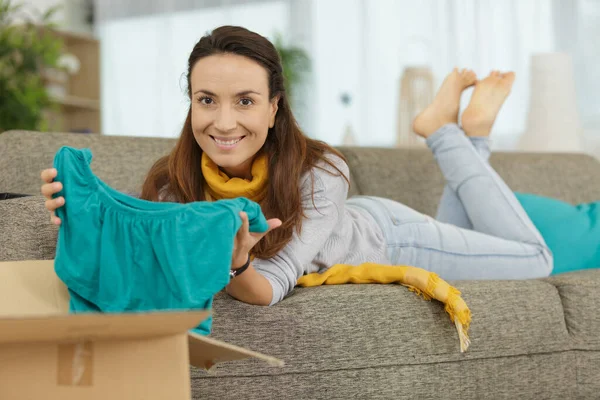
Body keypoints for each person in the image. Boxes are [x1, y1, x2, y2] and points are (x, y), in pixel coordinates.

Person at [41, 25, 556, 308]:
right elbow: (143, 256)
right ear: (191, 104)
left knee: (537, 259)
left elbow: (270, 285)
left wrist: (237, 263)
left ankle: (442, 132)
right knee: (470, 232)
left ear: (274, 108)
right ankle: (476, 128)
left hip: (391, 235)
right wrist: (82, 216)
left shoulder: (322, 171)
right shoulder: (171, 183)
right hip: (366, 227)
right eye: (206, 100)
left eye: (244, 101)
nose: (222, 122)